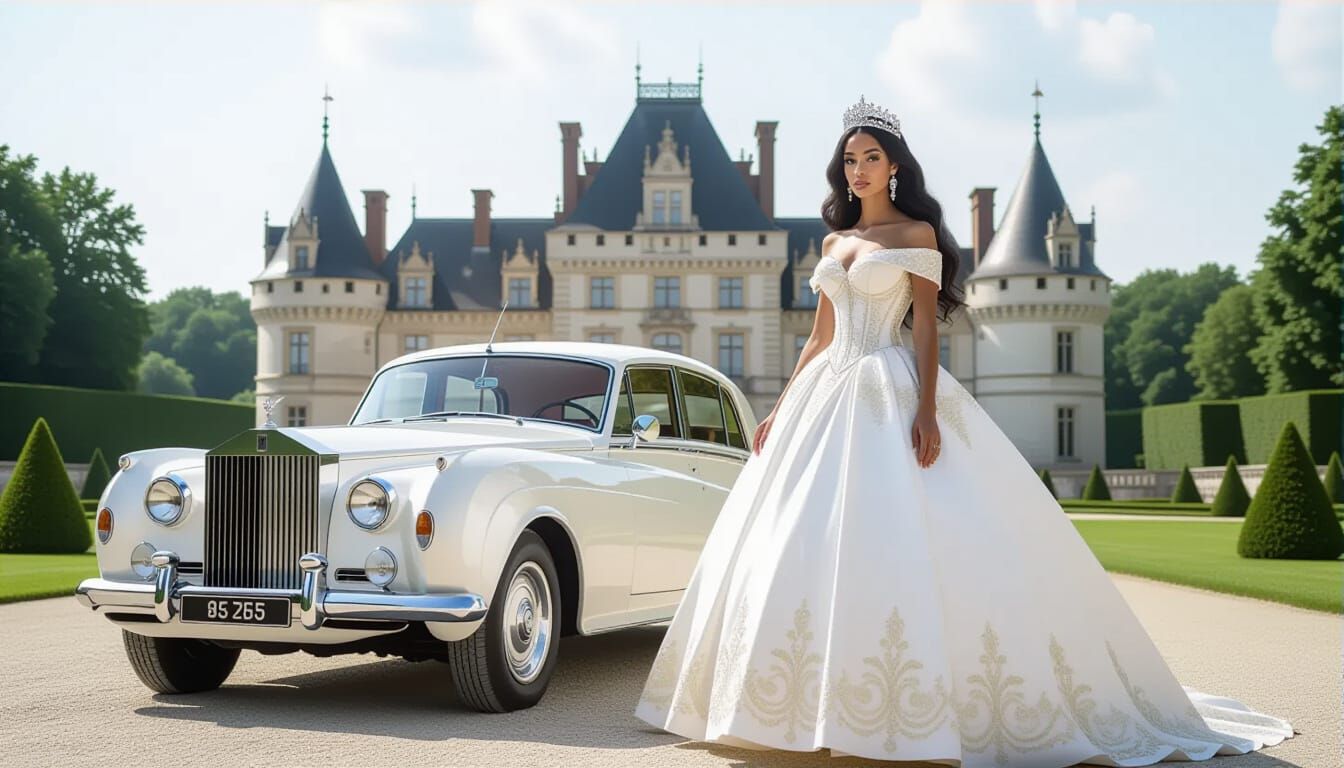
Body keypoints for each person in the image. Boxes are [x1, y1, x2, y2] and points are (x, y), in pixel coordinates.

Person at [633, 95, 1295, 766]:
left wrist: (923, 410)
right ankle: (794, 707)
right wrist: (780, 403)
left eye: (871, 158)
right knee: (801, 535)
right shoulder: (833, 242)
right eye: (849, 159)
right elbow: (819, 334)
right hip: (827, 389)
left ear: (895, 167)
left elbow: (924, 326)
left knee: (912, 529)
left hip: (887, 385)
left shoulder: (916, 236)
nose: (857, 169)